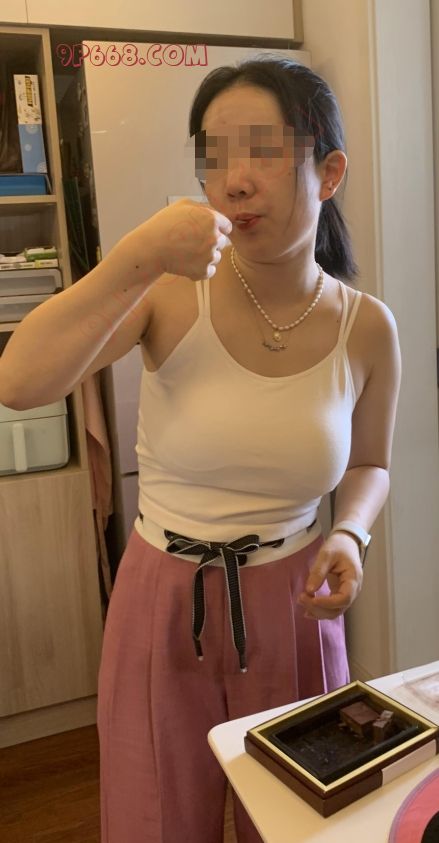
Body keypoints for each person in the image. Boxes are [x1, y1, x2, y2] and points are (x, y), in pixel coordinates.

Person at [0, 55, 401, 843]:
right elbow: (18, 381)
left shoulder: (366, 327)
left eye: (261, 151)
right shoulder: (166, 291)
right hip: (161, 598)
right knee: (155, 821)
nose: (234, 180)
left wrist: (350, 533)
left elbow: (369, 464)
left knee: (294, 822)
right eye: (213, 157)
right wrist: (135, 256)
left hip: (294, 601)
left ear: (327, 172)